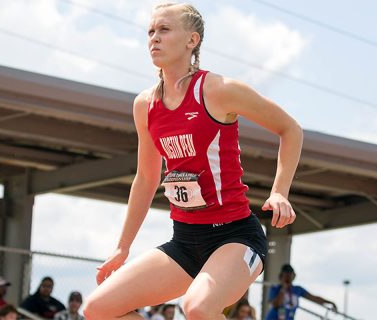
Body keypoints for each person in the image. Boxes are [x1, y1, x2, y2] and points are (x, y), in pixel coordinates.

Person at [84, 2, 303, 320]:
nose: (154, 38)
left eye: (164, 29)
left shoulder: (219, 90)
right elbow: (146, 178)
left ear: (192, 40)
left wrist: (279, 191)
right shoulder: (145, 105)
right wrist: (122, 248)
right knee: (97, 309)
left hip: (236, 237)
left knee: (197, 308)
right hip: (185, 241)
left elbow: (290, 129)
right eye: (150, 31)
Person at [265, 264, 337, 320]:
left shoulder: (297, 289)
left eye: (290, 274)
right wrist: (283, 288)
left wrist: (331, 303)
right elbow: (276, 304)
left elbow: (314, 298)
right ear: (281, 276)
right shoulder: (275, 288)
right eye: (286, 275)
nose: (288, 277)